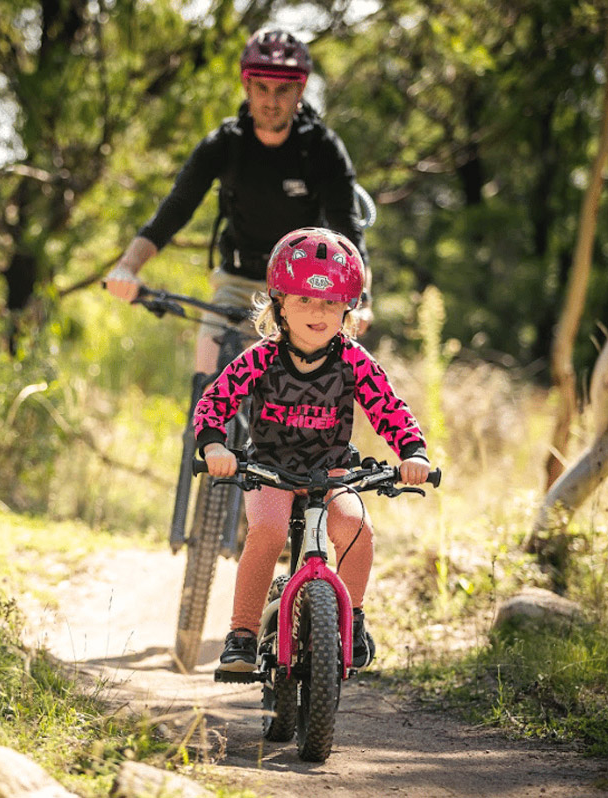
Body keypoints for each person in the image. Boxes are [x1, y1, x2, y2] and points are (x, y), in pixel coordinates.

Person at [192, 227, 429, 673]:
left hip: (331, 473)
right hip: (271, 470)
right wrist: (214, 444)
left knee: (356, 528)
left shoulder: (354, 361)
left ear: (348, 308)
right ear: (279, 303)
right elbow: (215, 400)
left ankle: (353, 619)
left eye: (329, 302)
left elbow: (388, 408)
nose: (316, 312)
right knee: (268, 530)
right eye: (303, 300)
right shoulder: (261, 358)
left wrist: (412, 452)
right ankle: (242, 635)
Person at [105, 26, 373, 376]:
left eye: (283, 89)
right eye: (261, 87)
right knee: (207, 395)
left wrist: (362, 300)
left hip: (306, 290)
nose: (271, 101)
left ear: (300, 91)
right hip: (236, 285)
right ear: (246, 86)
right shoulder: (224, 144)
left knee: (307, 403)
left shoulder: (322, 149)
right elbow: (175, 209)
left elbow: (347, 230)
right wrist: (128, 268)